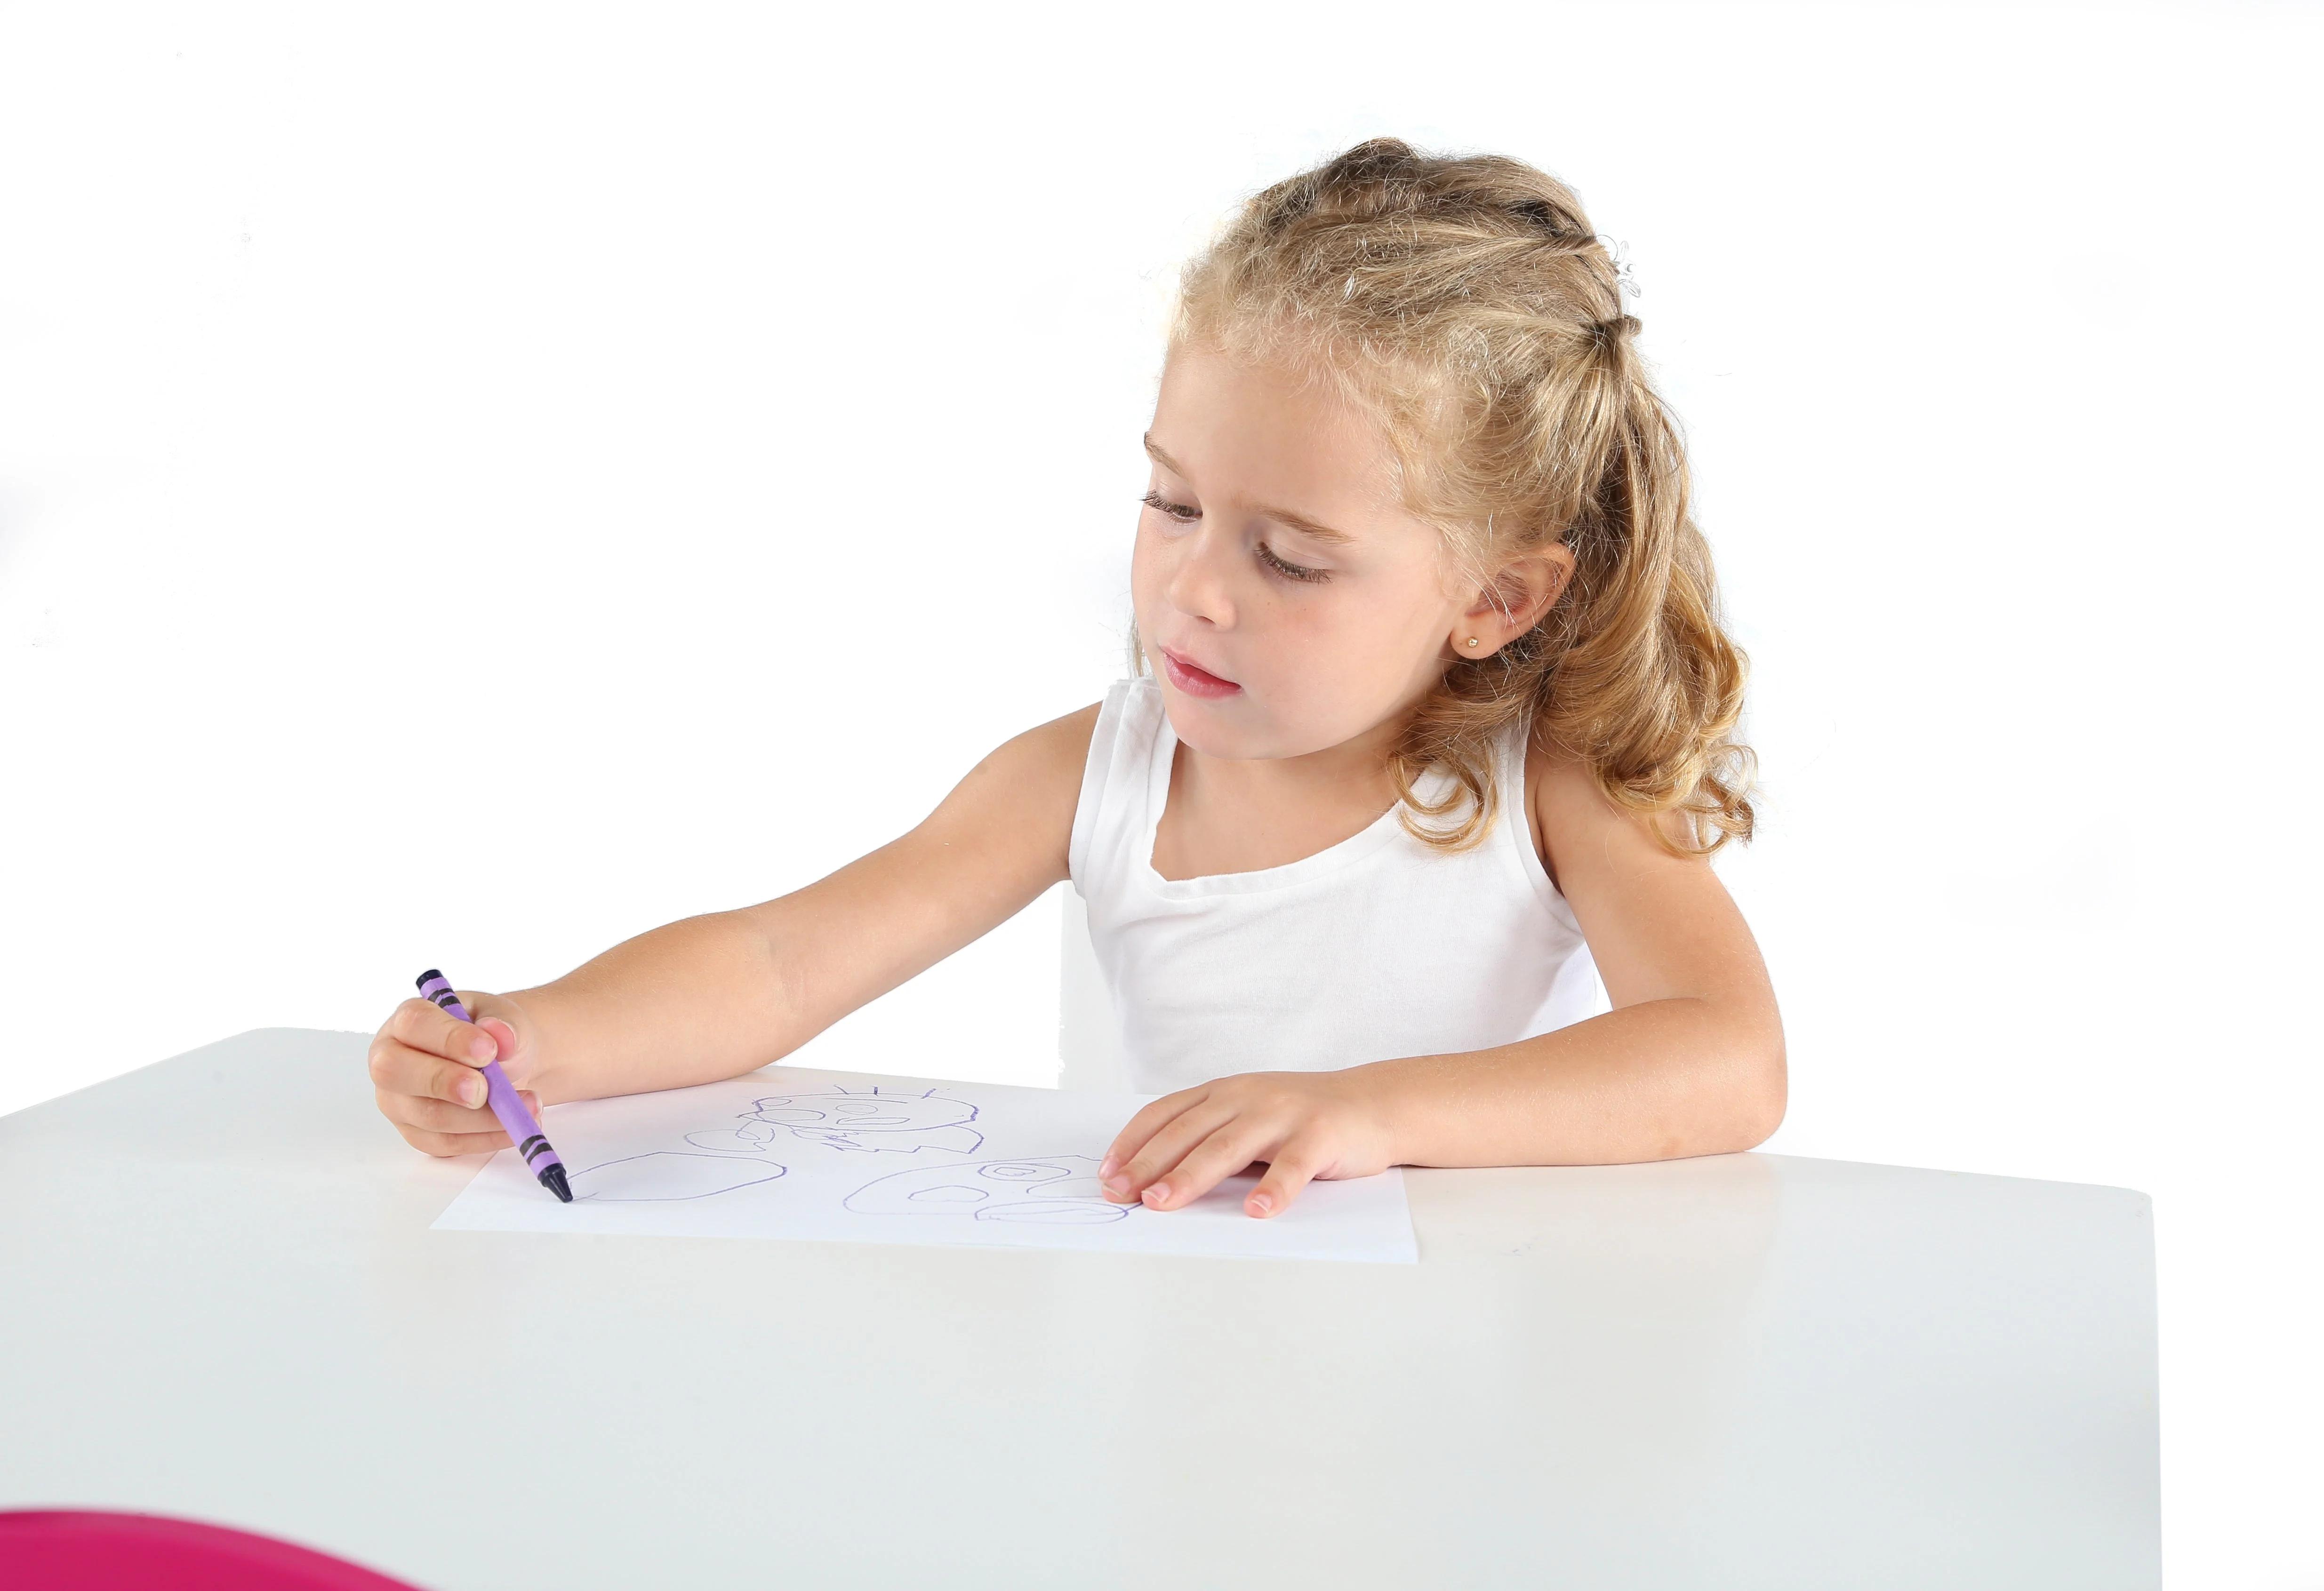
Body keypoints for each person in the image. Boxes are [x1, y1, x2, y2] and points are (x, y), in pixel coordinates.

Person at [367, 137, 1785, 1219]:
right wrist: (538, 1033)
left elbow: (1728, 1058)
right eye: (1172, 504)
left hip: (1465, 1349)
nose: (1196, 586)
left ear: (1495, 597)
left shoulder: (1543, 783)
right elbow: (781, 959)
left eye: (1291, 557)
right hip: (1176, 1330)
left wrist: (1360, 1113)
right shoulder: (1095, 776)